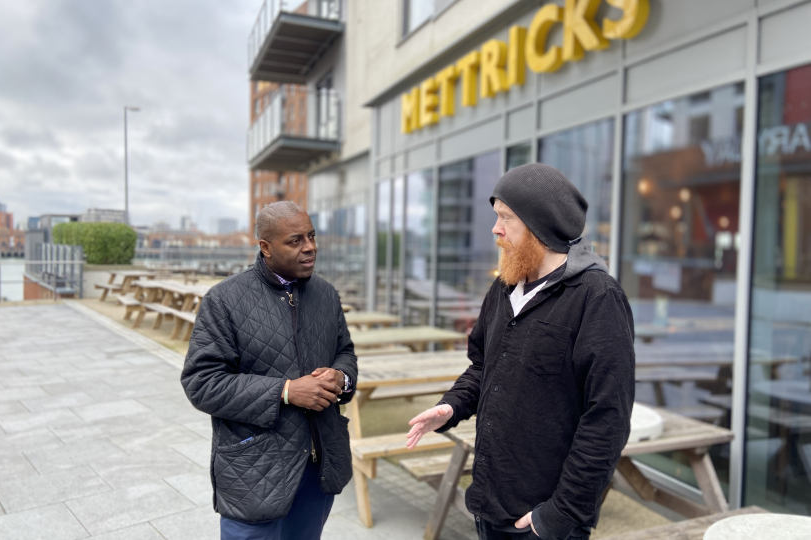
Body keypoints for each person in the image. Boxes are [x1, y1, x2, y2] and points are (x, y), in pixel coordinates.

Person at [407, 164, 635, 540]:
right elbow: (483, 368)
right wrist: (452, 407)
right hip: (490, 502)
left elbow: (608, 419)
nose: (495, 229)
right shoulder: (505, 288)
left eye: (506, 218)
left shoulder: (598, 298)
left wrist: (559, 516)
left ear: (539, 226)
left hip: (542, 522)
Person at [181, 201, 357, 540]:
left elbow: (345, 354)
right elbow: (201, 383)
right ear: (266, 247)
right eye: (295, 241)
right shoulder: (223, 300)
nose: (310, 247)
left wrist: (342, 378)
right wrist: (286, 391)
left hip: (319, 467)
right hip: (254, 470)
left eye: (311, 236)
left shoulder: (326, 294)